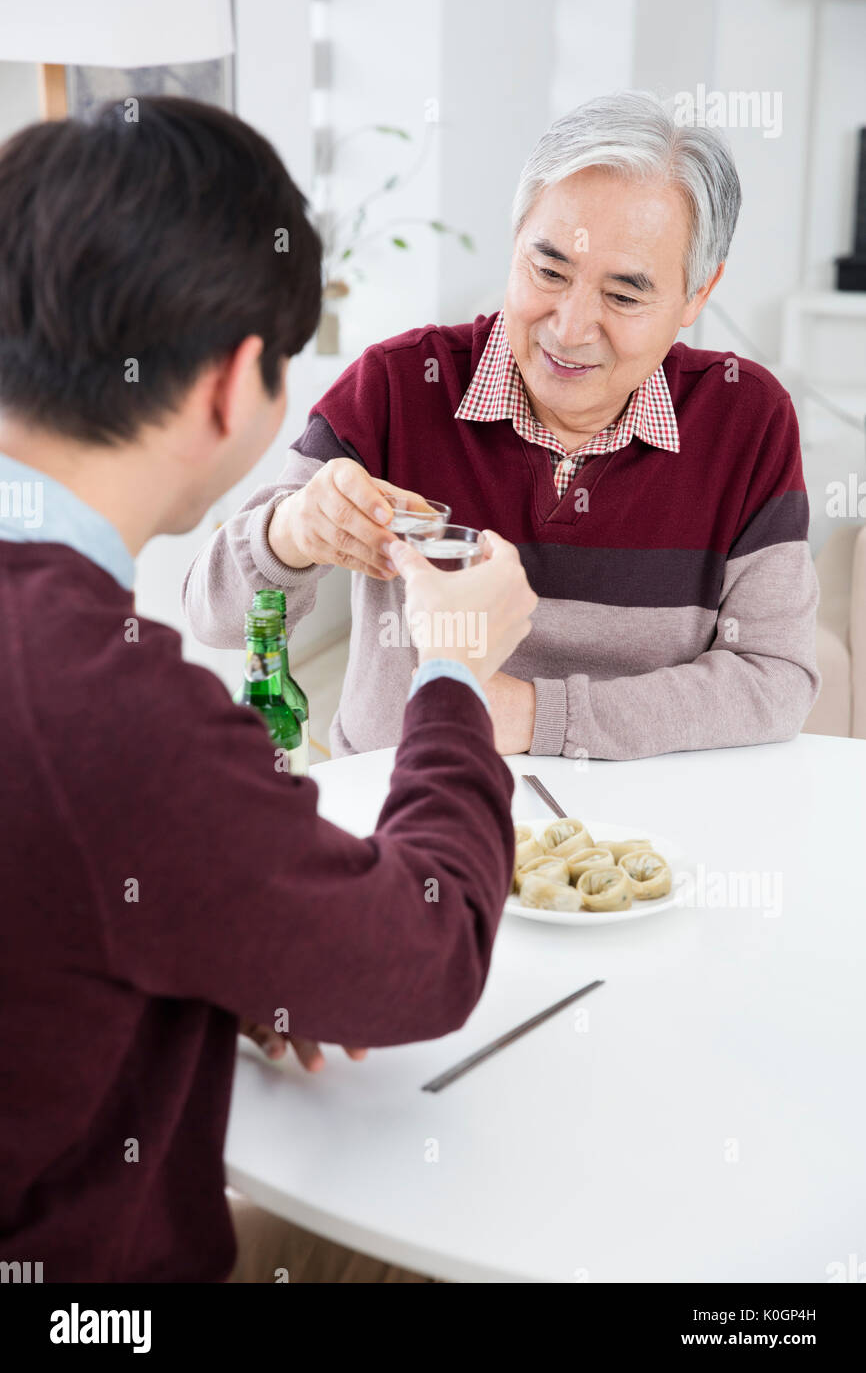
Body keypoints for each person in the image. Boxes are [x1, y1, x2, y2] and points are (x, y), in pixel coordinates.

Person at [0, 96, 536, 1283]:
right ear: (236, 381)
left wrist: (229, 944)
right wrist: (451, 675)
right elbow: (426, 951)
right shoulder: (103, 704)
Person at [184, 90, 820, 763]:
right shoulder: (397, 387)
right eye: (548, 270)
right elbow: (213, 617)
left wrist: (538, 717)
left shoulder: (745, 419)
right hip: (402, 813)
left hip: (634, 841)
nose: (570, 328)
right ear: (515, 243)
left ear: (698, 293)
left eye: (624, 294)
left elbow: (775, 677)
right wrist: (290, 534)